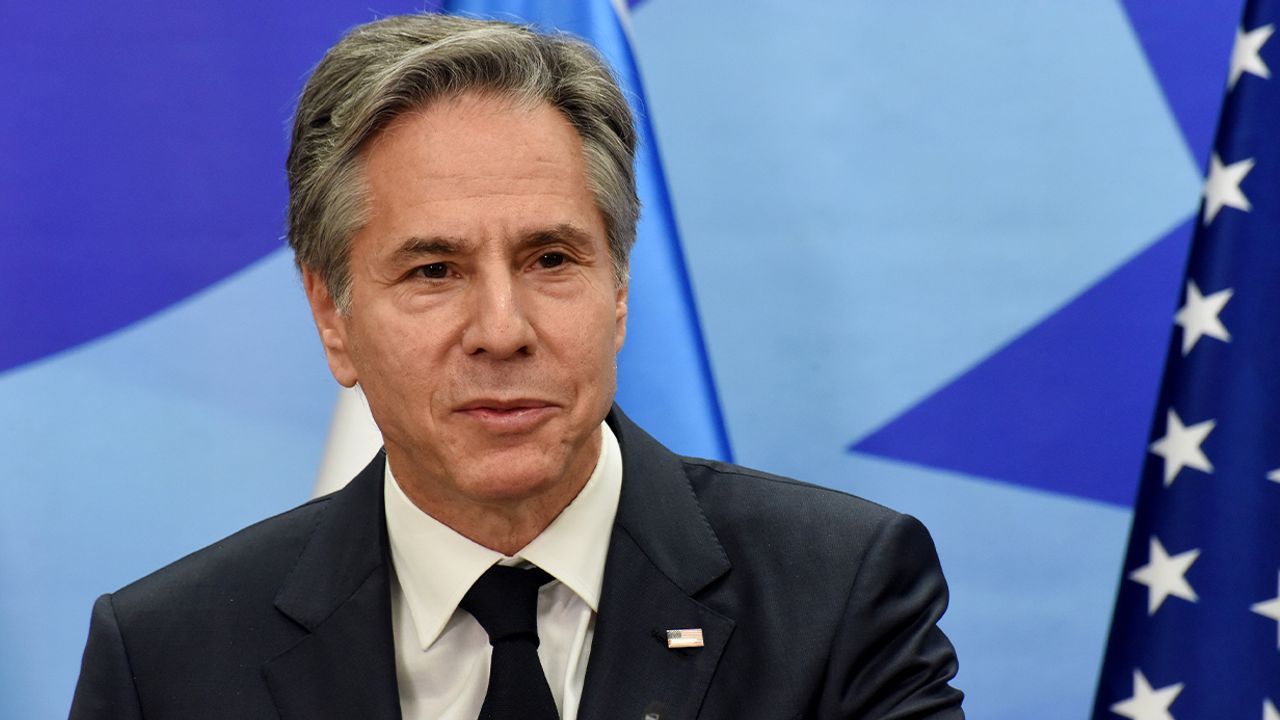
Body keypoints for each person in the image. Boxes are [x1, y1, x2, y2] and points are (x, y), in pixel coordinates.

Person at [70, 13, 964, 720]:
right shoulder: (168, 660)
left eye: (551, 260)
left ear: (619, 291)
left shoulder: (837, 596)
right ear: (332, 316)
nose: (502, 331)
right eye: (434, 270)